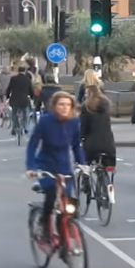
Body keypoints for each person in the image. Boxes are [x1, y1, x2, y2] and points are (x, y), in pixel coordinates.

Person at [25, 91, 85, 242]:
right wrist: (31, 167)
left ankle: (65, 237)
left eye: (68, 105)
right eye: (61, 104)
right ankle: (45, 227)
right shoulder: (45, 122)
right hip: (46, 165)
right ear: (54, 106)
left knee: (69, 204)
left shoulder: (74, 122)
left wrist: (83, 164)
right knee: (51, 196)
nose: (65, 108)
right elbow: (33, 145)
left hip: (64, 165)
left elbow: (76, 145)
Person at [80, 85, 116, 166]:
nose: (85, 95)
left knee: (85, 164)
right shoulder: (106, 105)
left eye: (86, 93)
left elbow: (84, 127)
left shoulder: (86, 107)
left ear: (90, 94)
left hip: (92, 144)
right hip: (108, 143)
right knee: (108, 166)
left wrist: (80, 137)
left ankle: (86, 175)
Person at [6, 66, 35, 135]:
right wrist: (32, 97)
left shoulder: (13, 79)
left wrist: (7, 96)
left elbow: (9, 89)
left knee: (14, 114)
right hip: (24, 100)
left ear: (18, 71)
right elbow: (31, 90)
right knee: (26, 114)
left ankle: (15, 128)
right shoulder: (27, 79)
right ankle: (25, 127)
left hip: (14, 99)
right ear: (24, 71)